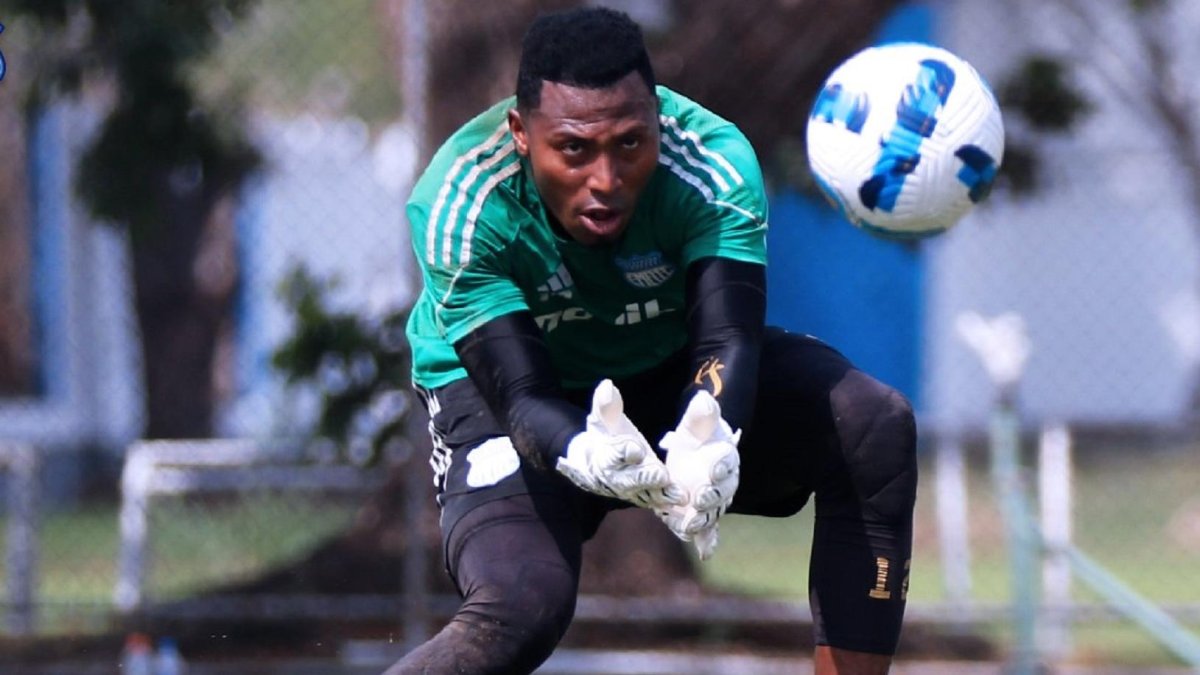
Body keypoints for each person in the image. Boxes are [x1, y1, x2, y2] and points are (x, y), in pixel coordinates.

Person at [390, 6, 917, 674]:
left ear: (659, 128)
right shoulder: (460, 198)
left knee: (872, 424)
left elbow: (728, 333)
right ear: (521, 133)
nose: (605, 181)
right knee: (523, 604)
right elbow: (522, 396)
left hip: (661, 364)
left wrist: (711, 432)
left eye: (630, 145)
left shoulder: (713, 163)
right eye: (575, 149)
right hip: (504, 390)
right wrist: (581, 447)